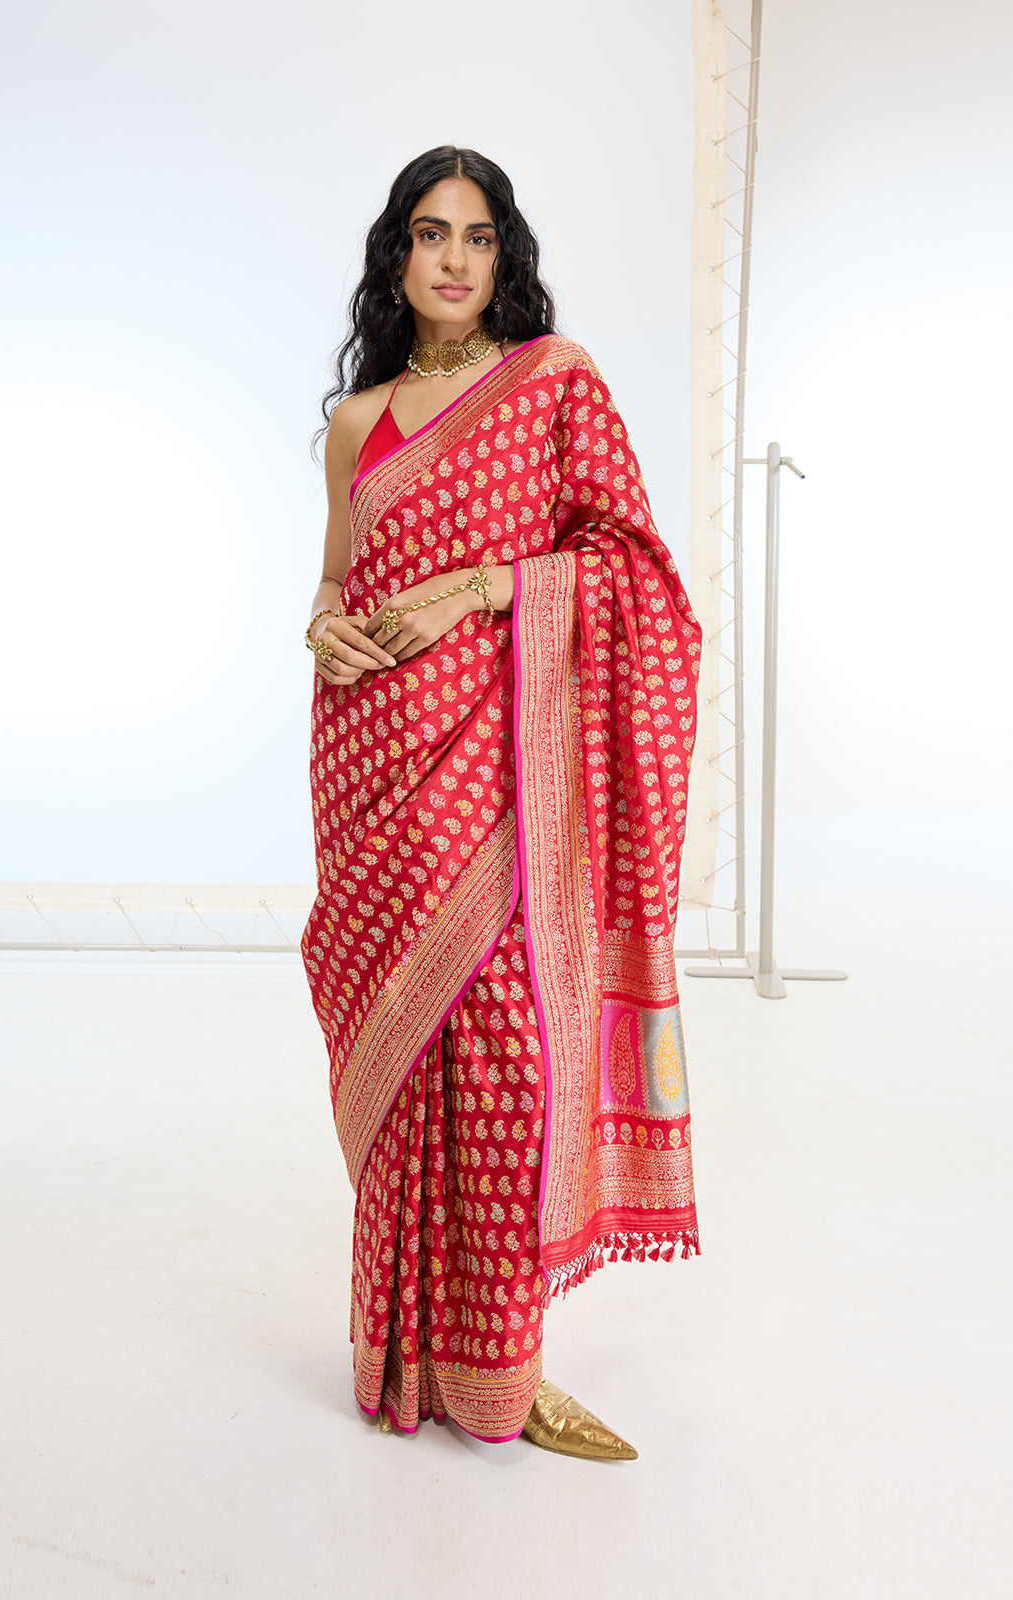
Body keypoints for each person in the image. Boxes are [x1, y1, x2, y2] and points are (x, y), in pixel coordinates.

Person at [301, 146, 702, 1460]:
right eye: (431, 234)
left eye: (478, 236)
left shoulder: (553, 384)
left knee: (510, 1069)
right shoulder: (359, 422)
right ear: (397, 257)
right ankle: (410, 1355)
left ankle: (504, 1372)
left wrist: (481, 590)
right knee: (411, 1071)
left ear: (505, 256)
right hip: (375, 767)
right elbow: (337, 577)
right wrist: (321, 624)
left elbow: (632, 570)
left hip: (500, 779)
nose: (456, 259)